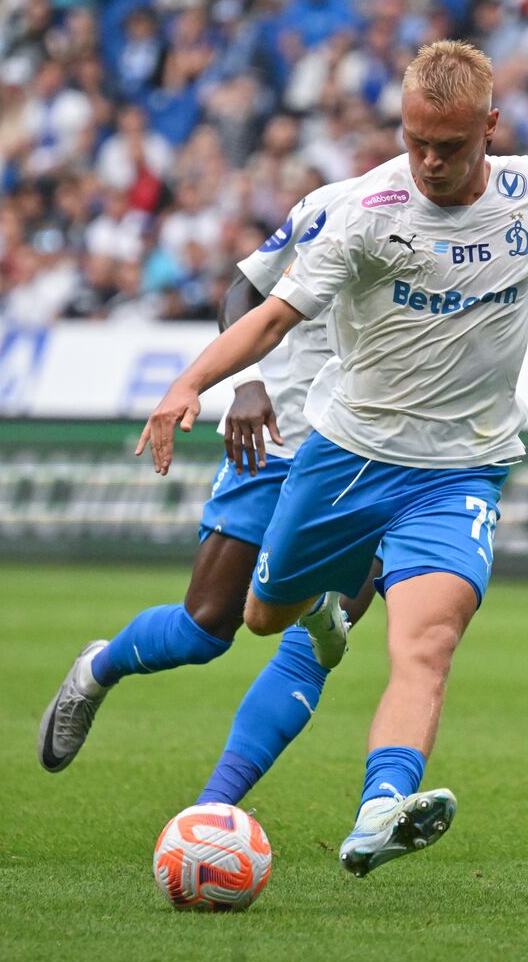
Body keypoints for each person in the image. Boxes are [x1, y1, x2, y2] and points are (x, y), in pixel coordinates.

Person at [136, 41, 528, 877]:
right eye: (415, 139)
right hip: (348, 456)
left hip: (463, 469)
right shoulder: (366, 211)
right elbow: (273, 315)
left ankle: (381, 809)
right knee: (261, 617)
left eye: (451, 144)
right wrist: (191, 385)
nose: (429, 160)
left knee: (426, 645)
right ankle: (318, 610)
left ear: (490, 127)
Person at [38, 176, 382, 806]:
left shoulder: (485, 228)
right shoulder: (341, 202)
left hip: (376, 458)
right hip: (277, 437)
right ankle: (97, 668)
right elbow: (244, 287)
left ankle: (210, 813)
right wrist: (245, 382)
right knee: (207, 627)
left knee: (317, 640)